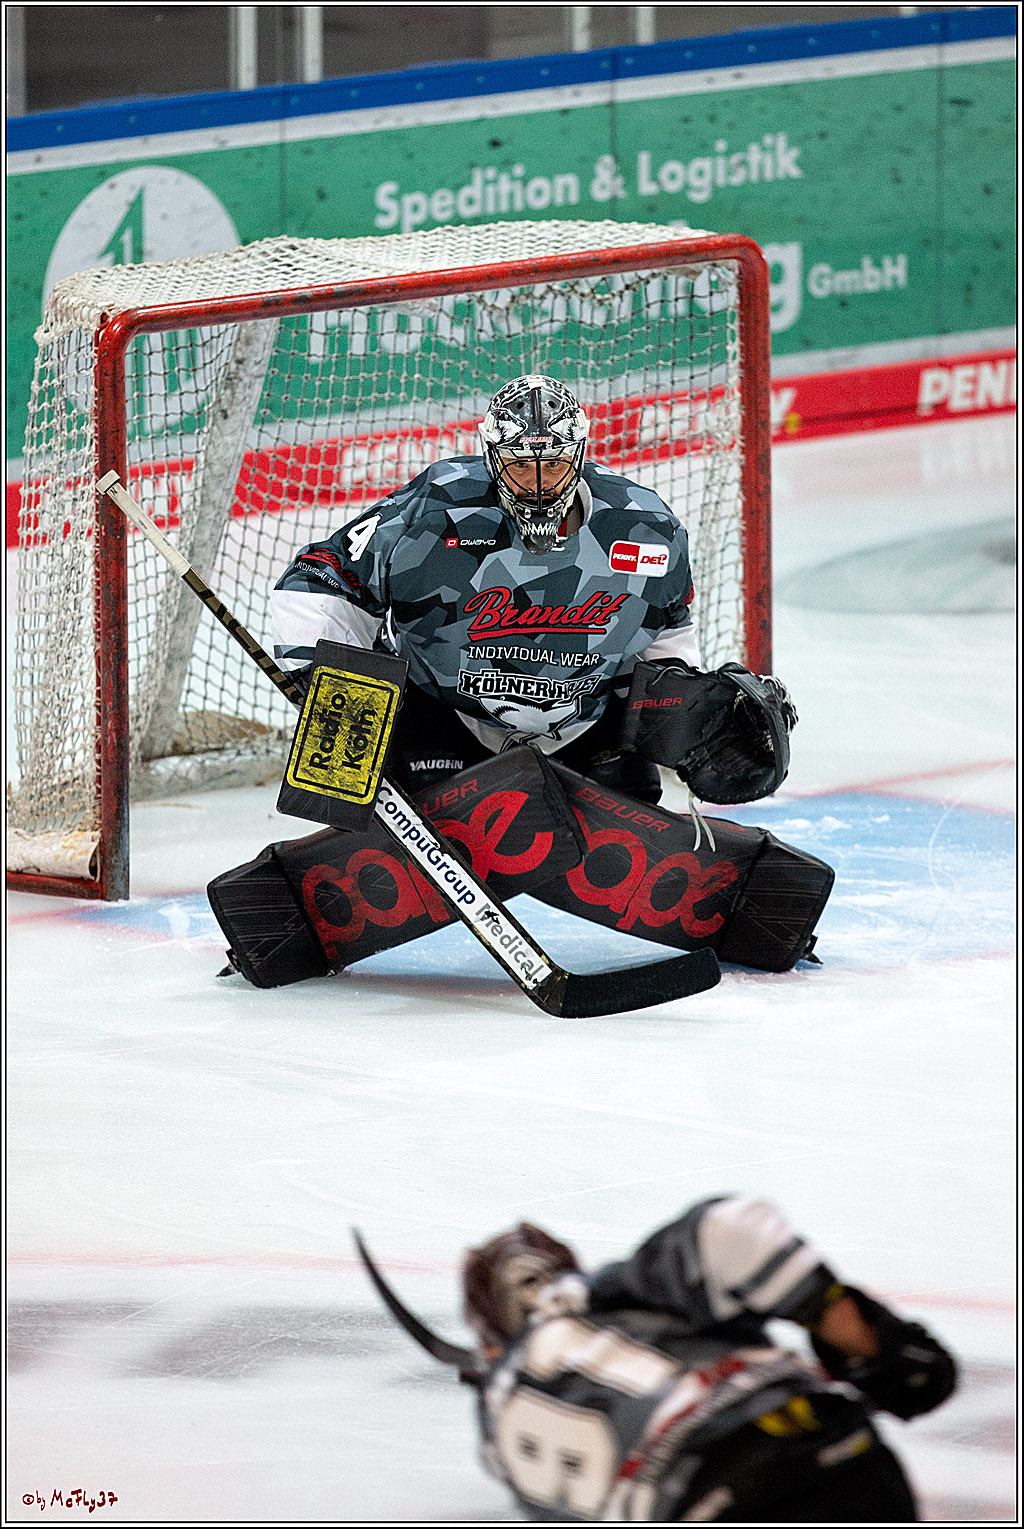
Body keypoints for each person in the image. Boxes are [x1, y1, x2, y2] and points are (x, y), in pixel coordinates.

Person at [272, 374, 705, 805]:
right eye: (520, 466)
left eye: (554, 465)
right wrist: (334, 689)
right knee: (400, 839)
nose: (538, 484)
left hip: (585, 727)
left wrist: (691, 720)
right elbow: (323, 575)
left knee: (631, 835)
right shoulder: (437, 507)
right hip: (444, 718)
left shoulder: (644, 526)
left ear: (578, 455)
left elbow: (666, 632)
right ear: (492, 457)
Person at [462, 1197, 957, 1523]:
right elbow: (731, 1230)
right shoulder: (608, 1300)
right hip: (828, 1459)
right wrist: (879, 1350)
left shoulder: (497, 1431)